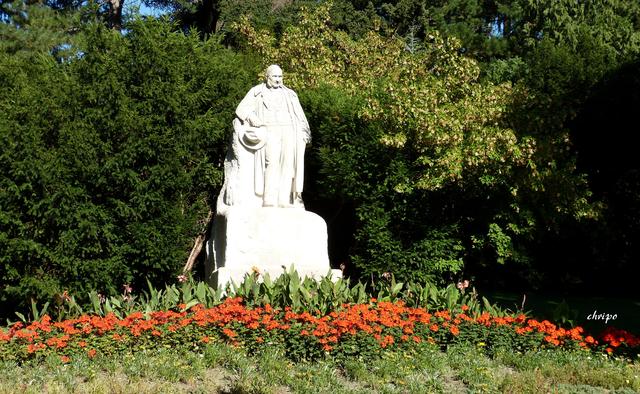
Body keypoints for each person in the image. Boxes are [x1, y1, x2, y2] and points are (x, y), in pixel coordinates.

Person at [234, 65, 311, 207]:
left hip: (289, 130)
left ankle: (283, 199)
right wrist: (251, 117)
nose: (278, 80)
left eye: (280, 77)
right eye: (275, 76)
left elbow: (300, 115)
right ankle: (269, 198)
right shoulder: (257, 91)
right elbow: (241, 108)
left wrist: (303, 132)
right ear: (267, 77)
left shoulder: (290, 94)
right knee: (272, 163)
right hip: (269, 129)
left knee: (288, 164)